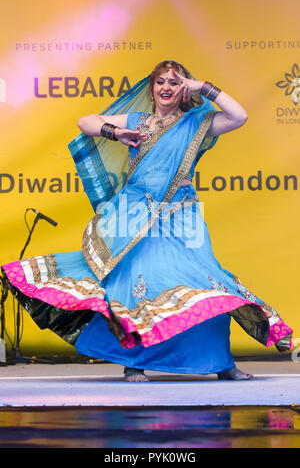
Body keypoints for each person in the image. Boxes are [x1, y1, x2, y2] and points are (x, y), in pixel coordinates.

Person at [1, 60, 293, 382]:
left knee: (207, 280)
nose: (167, 87)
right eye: (161, 82)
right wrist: (115, 132)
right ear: (151, 88)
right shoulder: (138, 121)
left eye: (175, 82)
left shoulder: (196, 122)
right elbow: (85, 121)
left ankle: (221, 362)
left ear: (184, 89)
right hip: (136, 214)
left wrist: (204, 88)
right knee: (135, 284)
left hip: (181, 216)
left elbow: (239, 116)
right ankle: (134, 363)